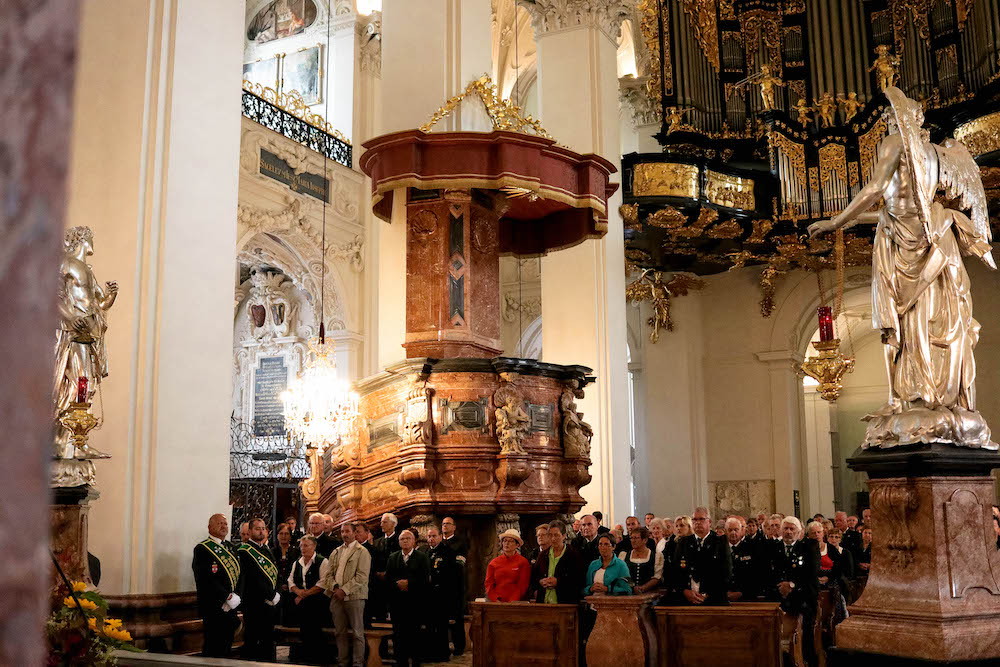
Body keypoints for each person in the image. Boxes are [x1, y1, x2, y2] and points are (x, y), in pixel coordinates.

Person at [322, 522, 371, 667]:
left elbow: (362, 576)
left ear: (354, 533)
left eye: (347, 531)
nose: (344, 534)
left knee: (357, 633)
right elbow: (328, 575)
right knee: (339, 632)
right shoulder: (336, 551)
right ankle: (342, 662)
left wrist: (345, 590)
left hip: (354, 597)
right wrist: (336, 588)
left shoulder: (362, 551)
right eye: (342, 532)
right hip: (336, 596)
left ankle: (357, 663)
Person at [772, 517, 820, 664]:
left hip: (802, 599)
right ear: (780, 531)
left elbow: (812, 572)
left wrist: (792, 585)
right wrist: (780, 587)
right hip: (778, 599)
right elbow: (765, 572)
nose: (788, 532)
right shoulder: (772, 547)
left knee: (804, 640)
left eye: (792, 529)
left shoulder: (809, 546)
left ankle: (806, 661)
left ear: (800, 532)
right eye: (785, 528)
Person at [192, 513, 240, 658]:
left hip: (231, 606)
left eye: (225, 524)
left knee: (227, 646)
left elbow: (240, 574)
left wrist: (236, 596)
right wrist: (226, 596)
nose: (224, 526)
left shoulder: (231, 548)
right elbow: (205, 579)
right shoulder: (202, 549)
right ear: (209, 527)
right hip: (213, 606)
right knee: (213, 647)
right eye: (219, 523)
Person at [237, 517, 282, 662]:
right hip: (254, 603)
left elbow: (275, 573)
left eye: (263, 529)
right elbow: (254, 578)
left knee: (268, 641)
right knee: (253, 640)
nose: (261, 532)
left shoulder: (267, 549)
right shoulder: (244, 551)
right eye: (257, 529)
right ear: (249, 531)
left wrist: (277, 593)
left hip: (270, 604)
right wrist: (270, 594)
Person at [386, 529, 430, 667]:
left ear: (413, 541)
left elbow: (425, 579)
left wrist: (409, 583)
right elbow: (388, 578)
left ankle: (416, 662)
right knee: (398, 636)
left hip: (415, 603)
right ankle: (401, 662)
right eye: (402, 539)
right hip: (397, 604)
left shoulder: (422, 557)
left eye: (408, 538)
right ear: (399, 542)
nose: (405, 541)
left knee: (415, 635)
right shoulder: (393, 557)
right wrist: (397, 584)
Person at [671, 507, 732, 606]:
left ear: (709, 522)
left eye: (701, 519)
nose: (698, 522)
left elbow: (726, 572)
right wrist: (684, 591)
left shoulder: (719, 542)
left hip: (713, 598)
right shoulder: (684, 542)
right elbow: (676, 571)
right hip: (687, 598)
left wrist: (707, 594)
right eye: (695, 519)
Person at [288, 534, 327, 664]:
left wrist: (304, 595)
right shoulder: (297, 562)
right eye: (301, 546)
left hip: (317, 602)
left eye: (306, 546)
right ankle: (303, 657)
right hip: (302, 602)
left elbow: (323, 583)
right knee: (303, 629)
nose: (302, 549)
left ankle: (316, 658)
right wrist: (298, 592)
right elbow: (290, 581)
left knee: (314, 629)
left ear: (314, 546)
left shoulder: (322, 561)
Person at [425, 525, 461, 662]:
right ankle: (430, 653)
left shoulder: (448, 552)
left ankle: (442, 654)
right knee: (430, 626)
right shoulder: (426, 553)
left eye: (434, 536)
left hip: (442, 595)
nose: (431, 539)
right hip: (429, 595)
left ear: (440, 537)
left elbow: (452, 576)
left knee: (441, 627)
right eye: (429, 536)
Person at [531, 520, 584, 604]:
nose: (553, 539)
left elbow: (579, 580)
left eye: (556, 535)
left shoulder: (573, 555)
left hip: (565, 603)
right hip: (544, 602)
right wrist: (541, 581)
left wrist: (558, 582)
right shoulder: (543, 555)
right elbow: (534, 576)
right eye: (550, 535)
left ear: (564, 536)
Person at [439, 516, 466, 656]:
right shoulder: (439, 543)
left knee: (456, 618)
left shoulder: (459, 543)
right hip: (439, 586)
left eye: (448, 524)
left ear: (454, 527)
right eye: (443, 524)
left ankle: (459, 647)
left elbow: (458, 564)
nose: (445, 526)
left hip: (455, 585)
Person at [485, 529, 531, 602]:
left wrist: (513, 601)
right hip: (496, 602)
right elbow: (488, 584)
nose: (507, 543)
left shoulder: (523, 562)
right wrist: (495, 599)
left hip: (515, 603)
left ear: (517, 545)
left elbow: (523, 585)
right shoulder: (493, 563)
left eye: (511, 541)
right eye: (505, 541)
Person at [371, 512, 401, 624]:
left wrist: (387, 573)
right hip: (379, 583)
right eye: (381, 522)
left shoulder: (400, 540)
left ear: (393, 524)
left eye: (384, 522)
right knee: (380, 615)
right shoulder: (377, 542)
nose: (381, 524)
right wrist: (377, 573)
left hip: (394, 581)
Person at [727, 516, 764, 601]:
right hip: (723, 598)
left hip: (747, 597)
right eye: (730, 530)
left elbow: (758, 573)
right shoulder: (718, 548)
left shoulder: (752, 547)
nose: (733, 533)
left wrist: (742, 592)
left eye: (736, 530)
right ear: (725, 531)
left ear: (741, 531)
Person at [621, 527, 663, 594]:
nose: (633, 541)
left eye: (636, 538)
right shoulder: (624, 555)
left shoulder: (655, 556)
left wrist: (643, 588)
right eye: (631, 538)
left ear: (645, 540)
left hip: (650, 594)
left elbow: (657, 577)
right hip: (628, 594)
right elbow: (622, 575)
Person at [273, 522, 299, 624]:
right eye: (281, 533)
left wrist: (288, 584)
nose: (283, 536)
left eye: (286, 534)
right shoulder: (272, 552)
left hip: (292, 590)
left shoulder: (296, 552)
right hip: (276, 590)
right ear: (277, 535)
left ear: (290, 536)